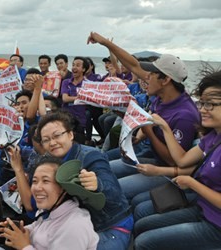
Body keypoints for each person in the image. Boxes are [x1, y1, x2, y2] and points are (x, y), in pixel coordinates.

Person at [87, 32, 201, 202]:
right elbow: (133, 65)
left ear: (166, 80)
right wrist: (105, 43)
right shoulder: (163, 97)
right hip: (147, 152)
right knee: (99, 168)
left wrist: (147, 131)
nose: (146, 77)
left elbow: (173, 161)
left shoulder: (184, 115)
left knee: (112, 189)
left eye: (152, 74)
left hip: (163, 169)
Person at [134, 70, 221, 249]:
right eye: (202, 103)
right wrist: (165, 128)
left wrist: (192, 183)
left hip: (216, 225)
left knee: (144, 242)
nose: (202, 110)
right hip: (203, 207)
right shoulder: (213, 137)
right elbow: (181, 160)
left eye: (210, 105)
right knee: (141, 225)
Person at [36, 111, 133, 250]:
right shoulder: (48, 162)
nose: (52, 143)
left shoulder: (90, 156)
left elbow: (114, 194)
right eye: (46, 140)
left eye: (57, 135)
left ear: (70, 134)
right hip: (75, 225)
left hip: (108, 225)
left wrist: (98, 184)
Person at [0, 157, 99, 250]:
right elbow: (38, 227)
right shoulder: (49, 210)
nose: (37, 188)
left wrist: (24, 246)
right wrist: (22, 231)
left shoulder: (74, 226)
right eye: (34, 181)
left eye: (46, 181)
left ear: (63, 188)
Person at [60, 56, 89, 144]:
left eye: (78, 65)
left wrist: (73, 99)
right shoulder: (66, 82)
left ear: (83, 69)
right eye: (73, 65)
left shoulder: (88, 84)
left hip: (80, 119)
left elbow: (89, 100)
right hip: (65, 117)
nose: (74, 68)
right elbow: (65, 98)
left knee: (78, 144)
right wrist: (80, 98)